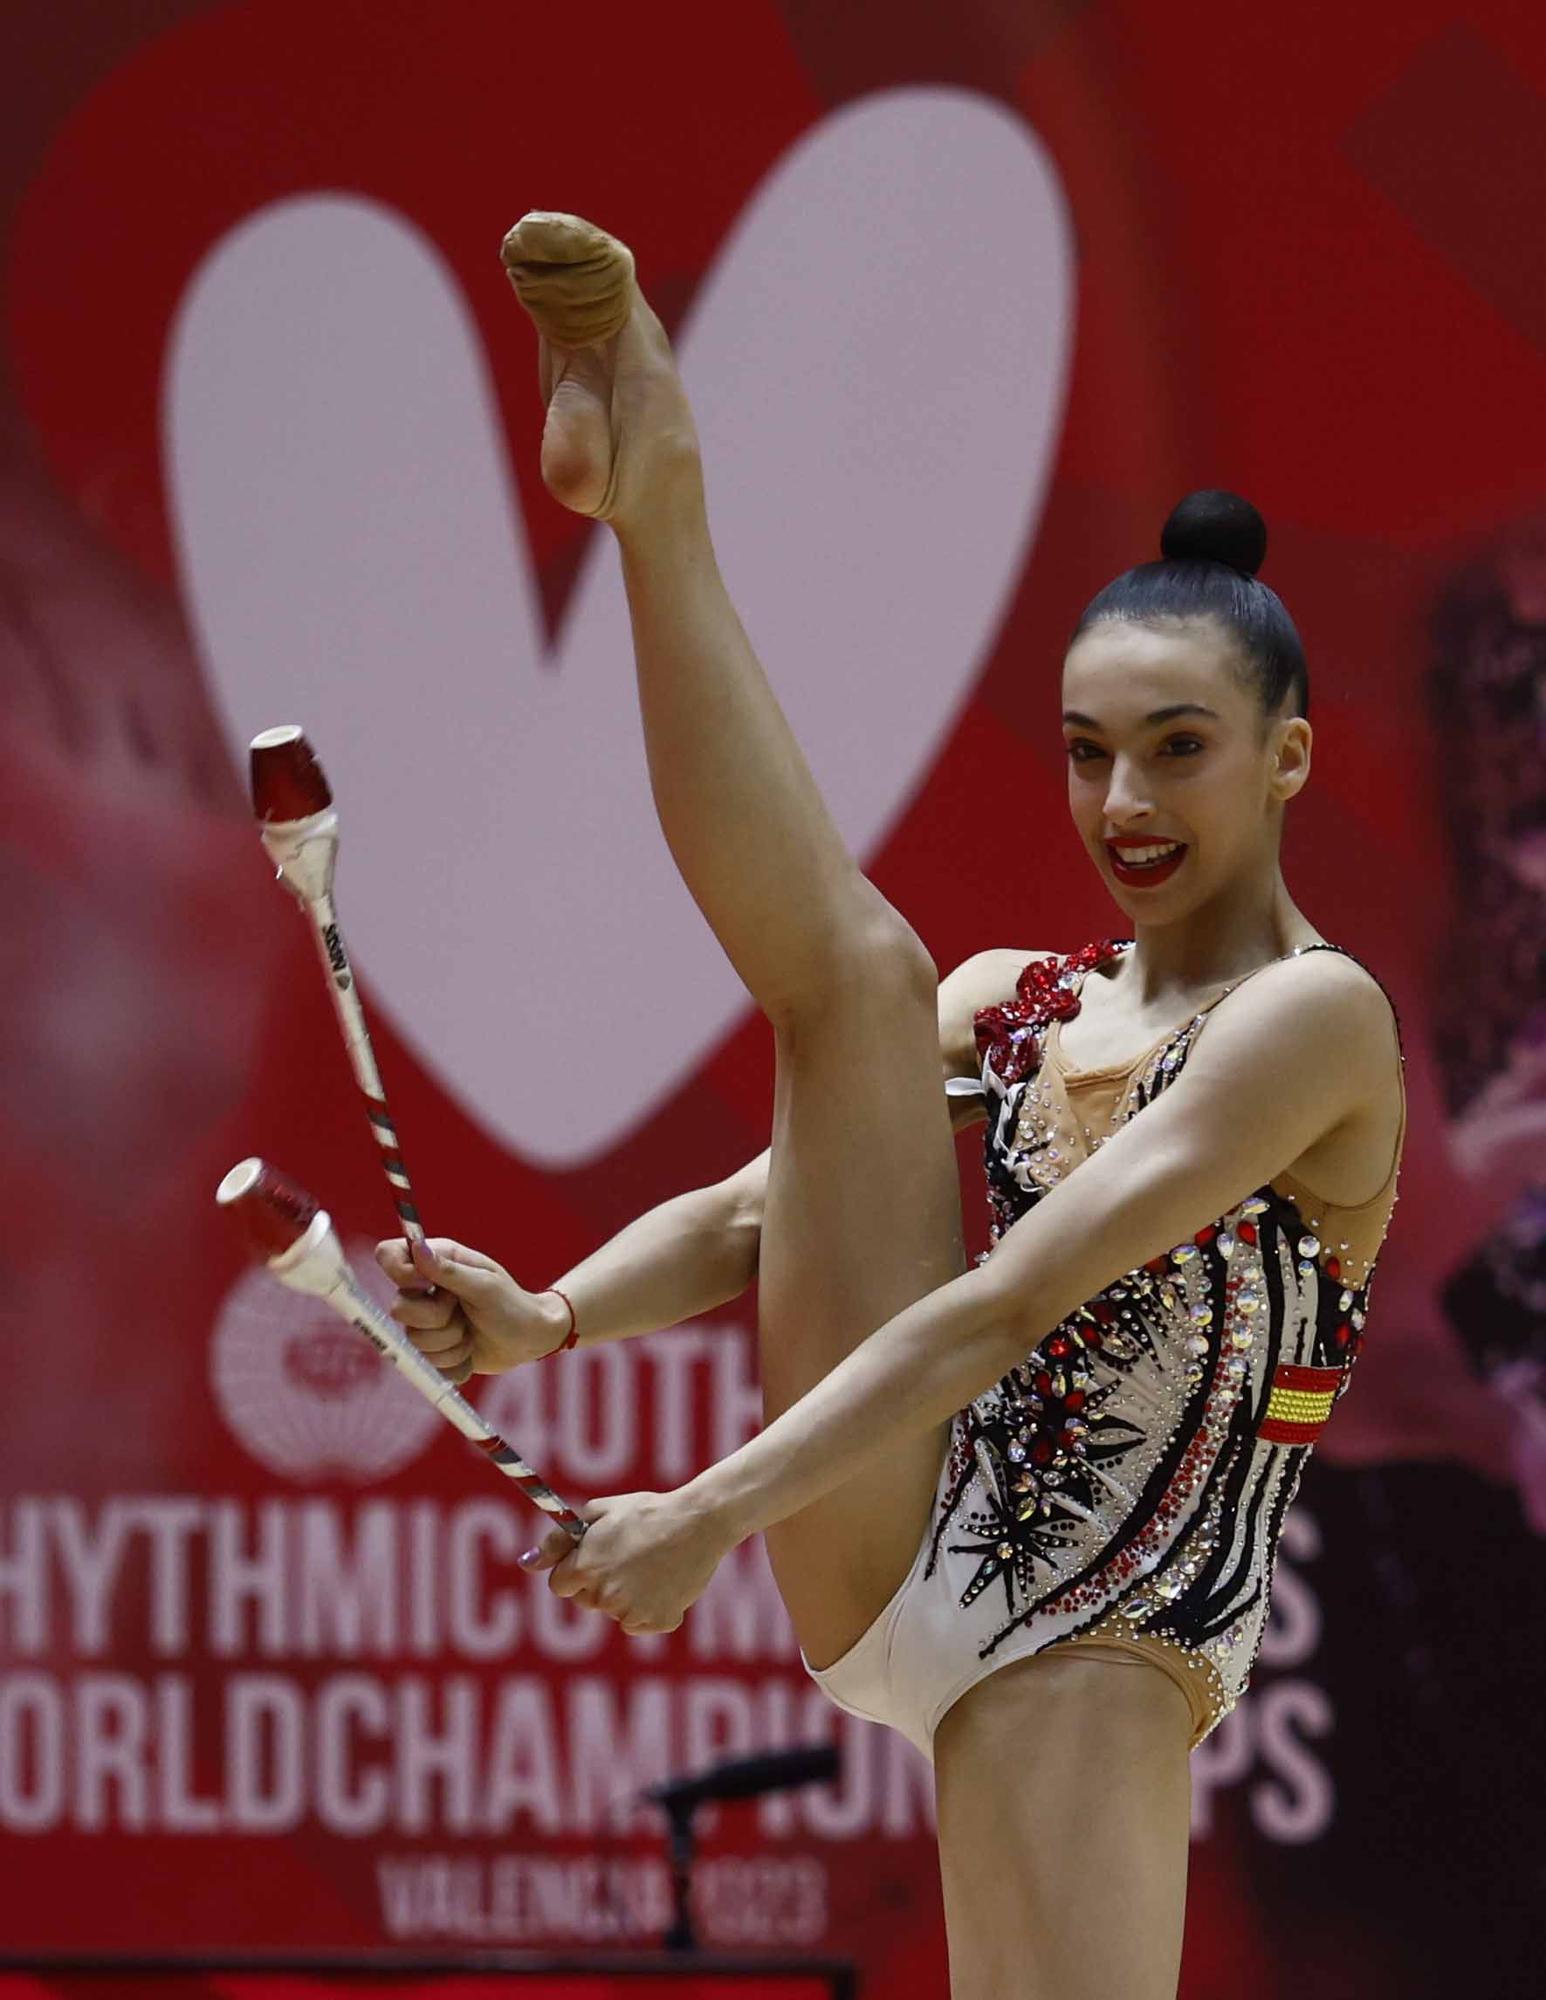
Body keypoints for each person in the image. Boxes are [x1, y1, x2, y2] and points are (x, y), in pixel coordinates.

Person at [376, 213, 1407, 1999]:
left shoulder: (1313, 1023)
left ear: (1287, 757)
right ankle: (652, 493)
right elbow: (761, 1211)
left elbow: (1017, 1298)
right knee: (852, 981)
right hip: (898, 1509)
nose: (1120, 801)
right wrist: (551, 1318)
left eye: (1178, 748)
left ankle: (657, 478)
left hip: (1103, 1633)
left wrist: (700, 1510)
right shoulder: (1021, 999)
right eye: (1086, 752)